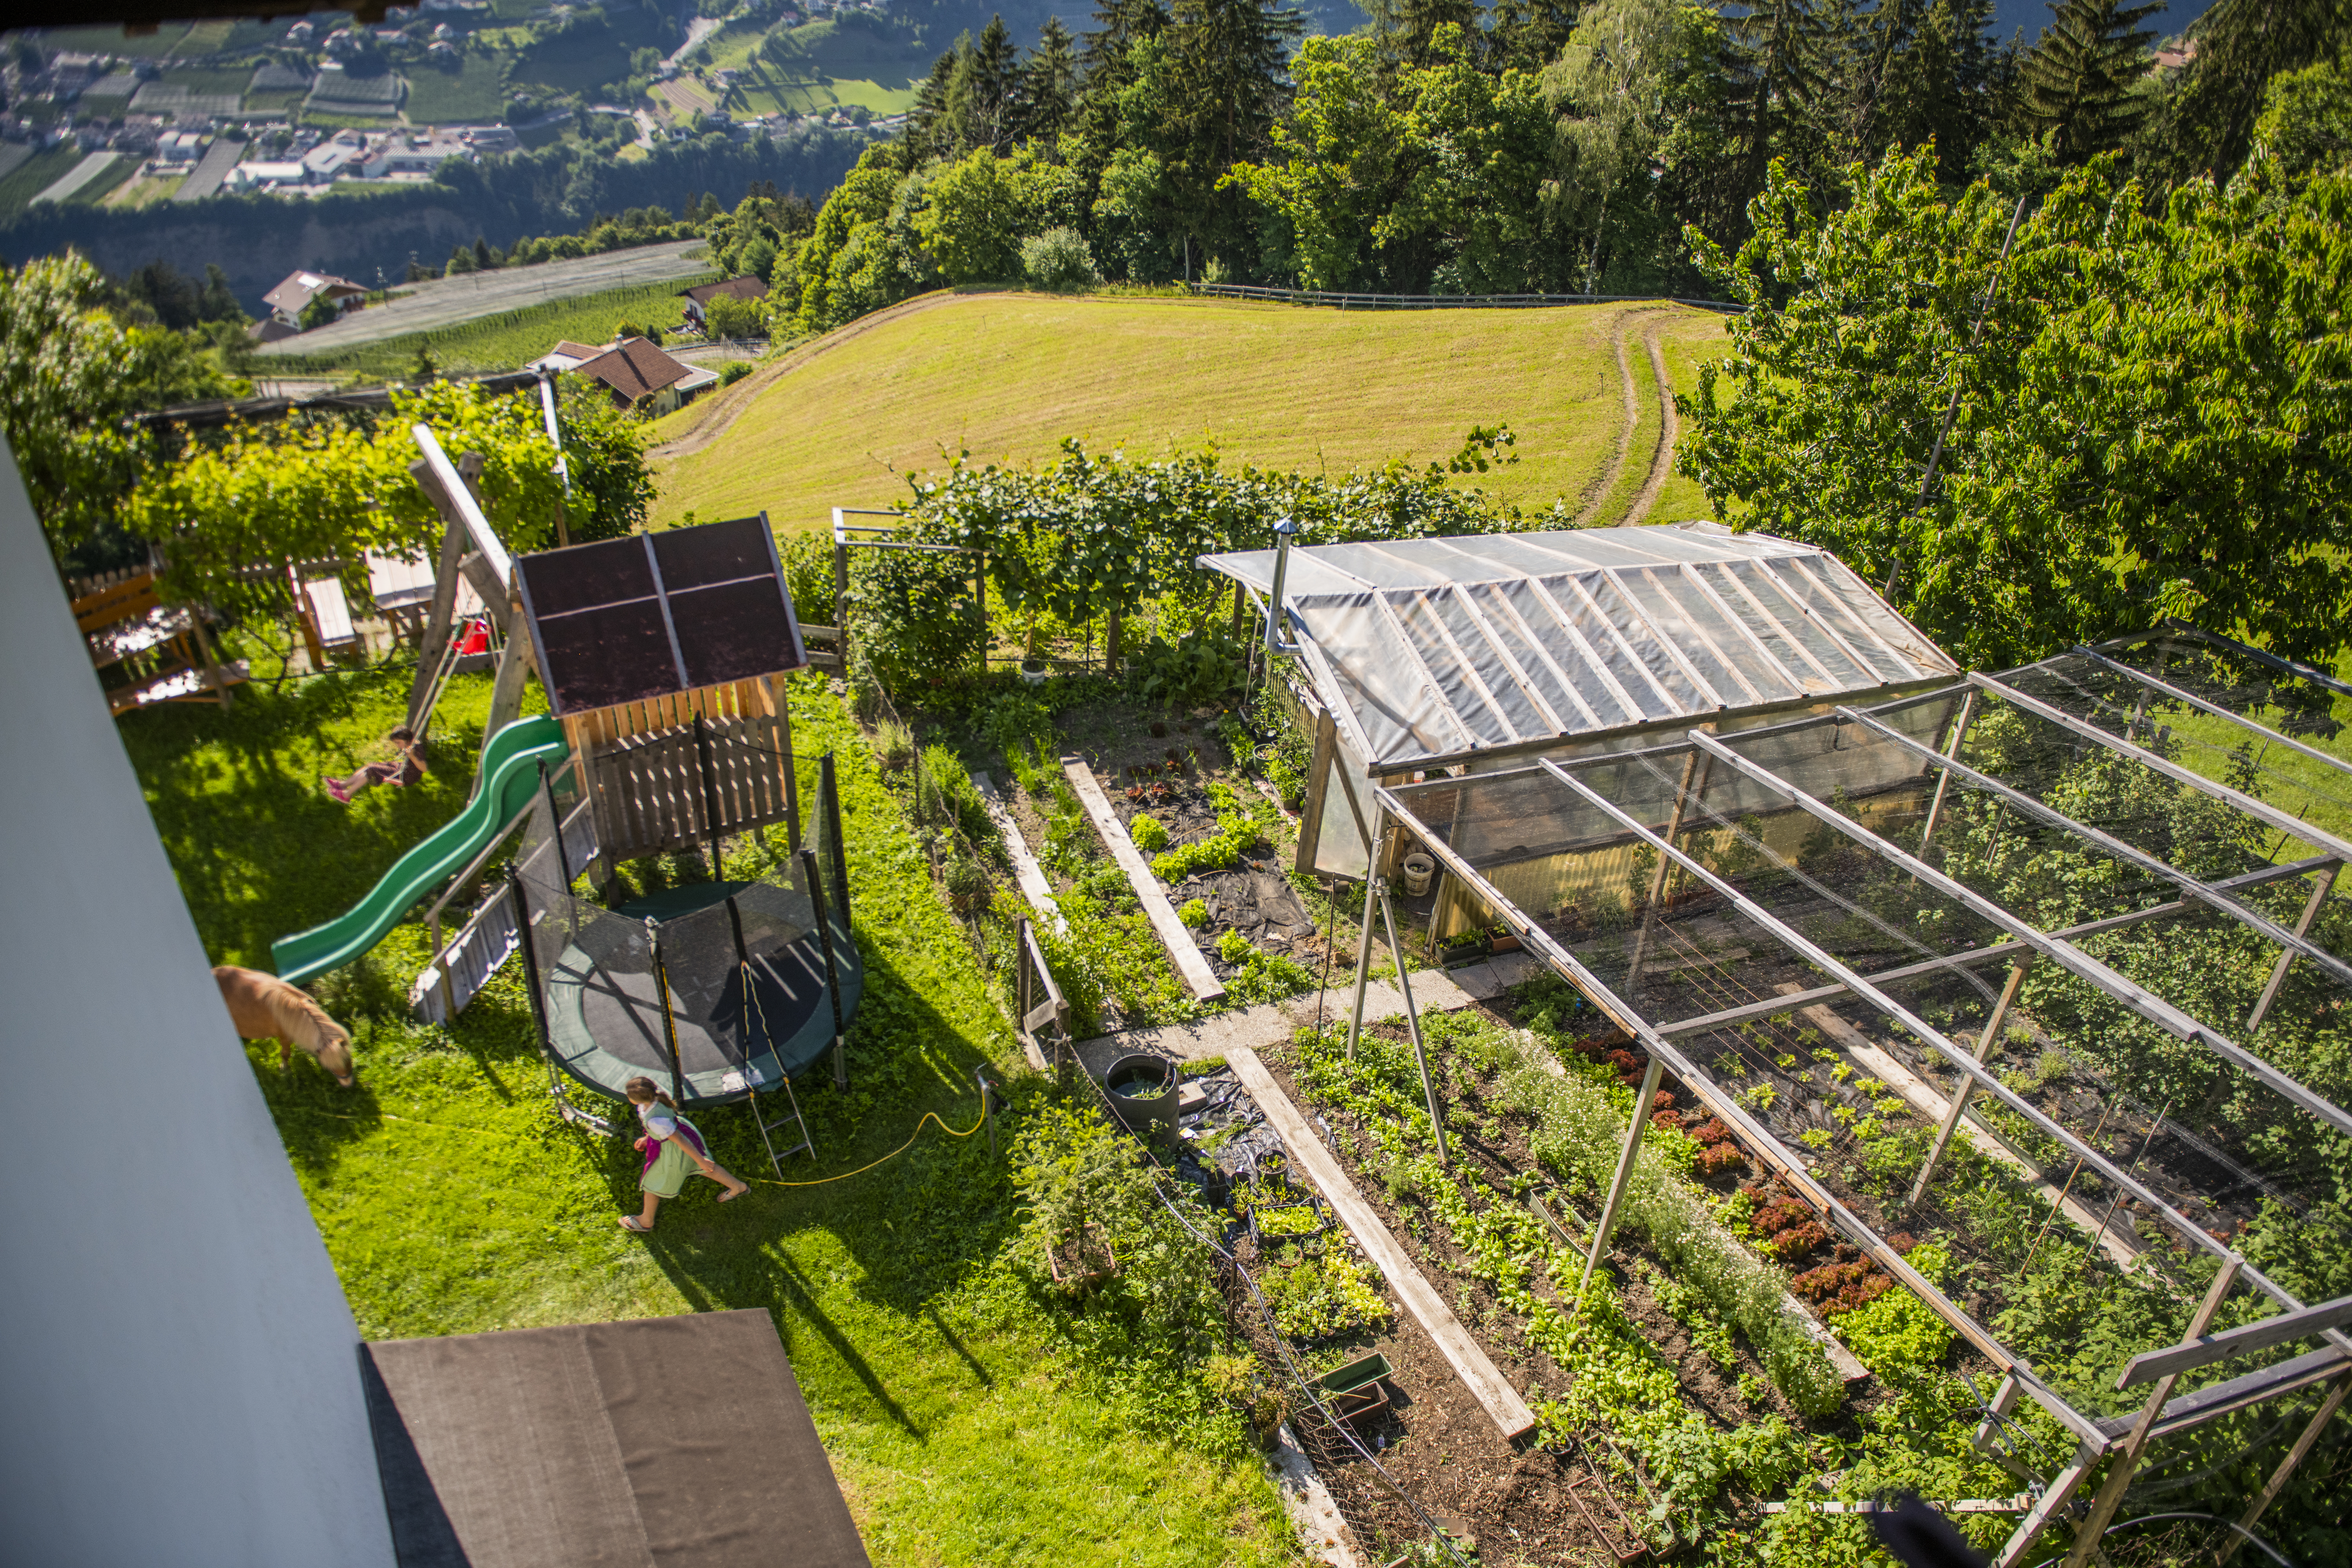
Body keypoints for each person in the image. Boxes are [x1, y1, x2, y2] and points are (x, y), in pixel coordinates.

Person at [619, 1076, 747, 1232]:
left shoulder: (655, 1120)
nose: (627, 1096)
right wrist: (648, 1137)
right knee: (706, 1168)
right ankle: (738, 1187)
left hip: (677, 1148)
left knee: (653, 1180)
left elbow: (679, 1140)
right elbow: (666, 1127)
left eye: (629, 1095)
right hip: (681, 1135)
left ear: (638, 1100)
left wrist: (701, 1160)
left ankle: (646, 1221)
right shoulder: (655, 1100)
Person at [324, 727, 427, 804]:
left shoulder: (416, 750)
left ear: (407, 740)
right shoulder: (410, 743)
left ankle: (346, 795)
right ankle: (343, 785)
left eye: (398, 743)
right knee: (370, 765)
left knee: (372, 770)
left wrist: (412, 757)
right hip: (401, 768)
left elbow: (424, 768)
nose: (397, 746)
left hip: (406, 777)